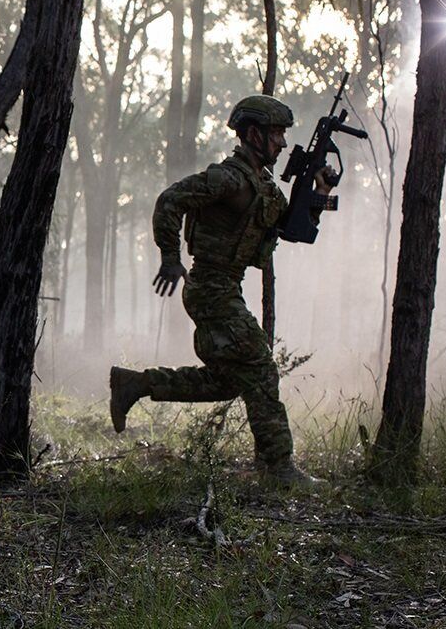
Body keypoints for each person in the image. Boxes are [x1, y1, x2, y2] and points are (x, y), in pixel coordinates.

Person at [109, 95, 335, 488]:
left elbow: (294, 231)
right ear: (253, 134)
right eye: (277, 134)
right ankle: (278, 468)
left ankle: (137, 383)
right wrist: (169, 257)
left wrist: (318, 190)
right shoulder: (229, 179)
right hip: (211, 287)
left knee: (231, 380)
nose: (282, 144)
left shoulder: (264, 185)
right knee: (262, 368)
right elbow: (170, 199)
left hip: (225, 287)